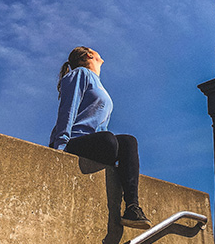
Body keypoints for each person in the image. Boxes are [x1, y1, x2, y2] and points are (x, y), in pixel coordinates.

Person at [49, 46, 151, 229]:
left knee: (128, 142)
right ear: (89, 55)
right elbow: (68, 109)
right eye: (95, 51)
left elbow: (100, 125)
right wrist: (61, 146)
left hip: (96, 142)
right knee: (109, 141)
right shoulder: (80, 74)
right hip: (73, 141)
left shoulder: (99, 84)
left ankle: (132, 208)